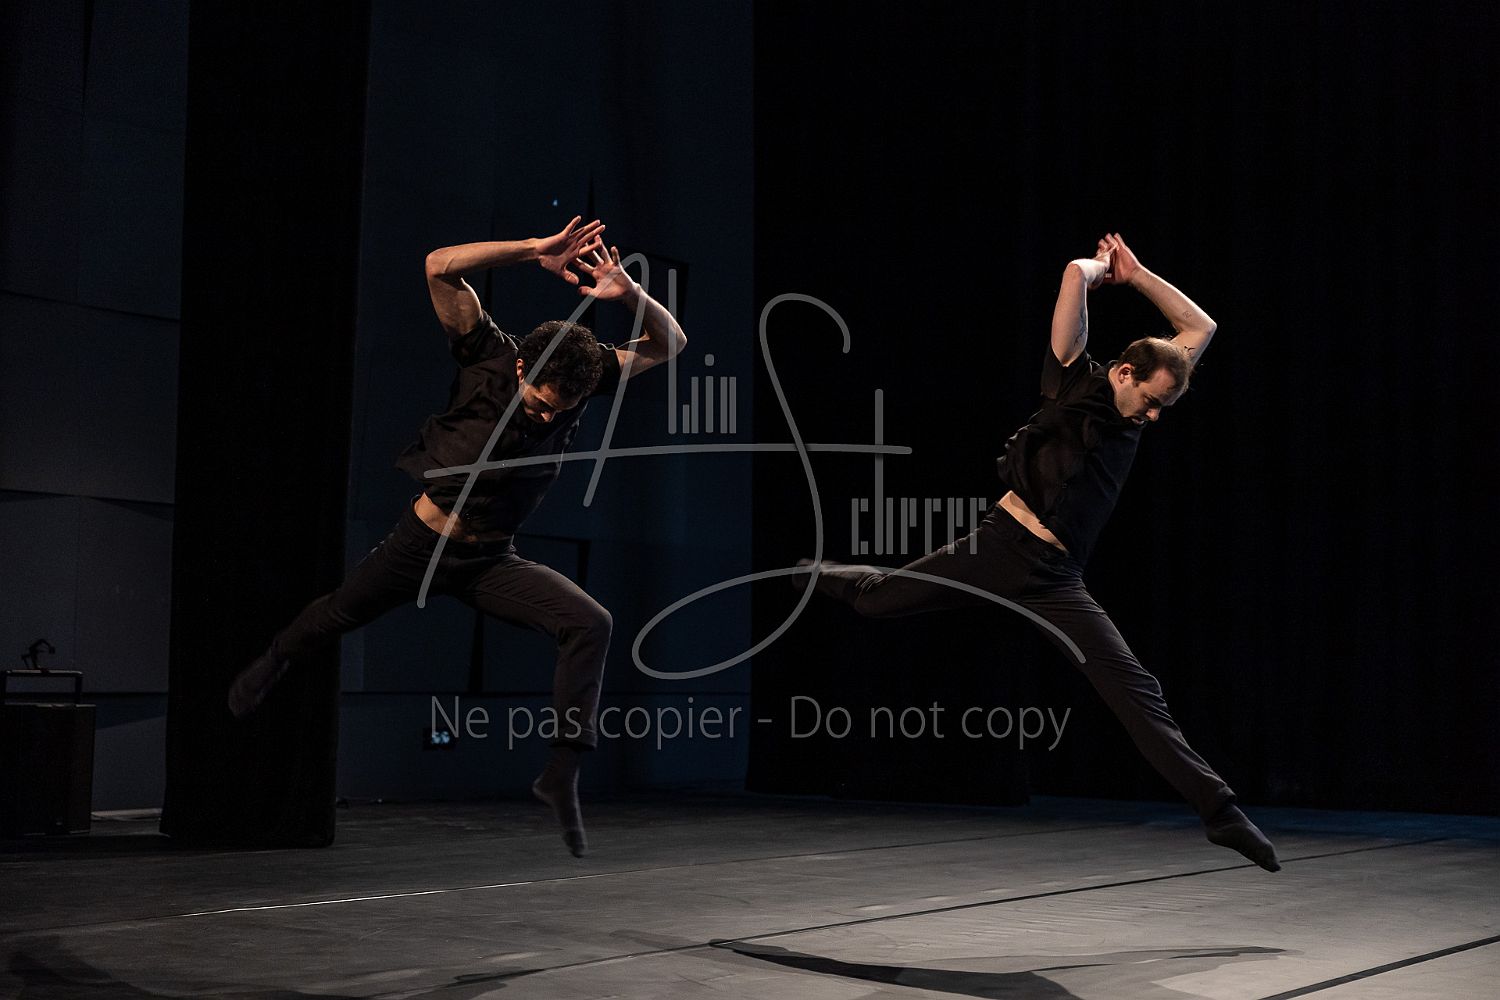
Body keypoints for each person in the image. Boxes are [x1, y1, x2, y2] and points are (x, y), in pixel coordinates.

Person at [798, 233, 1280, 872]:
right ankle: (811, 573)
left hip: (1058, 577)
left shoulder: (1149, 391)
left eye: (1165, 406)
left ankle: (1219, 812)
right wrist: (1096, 267)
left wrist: (1136, 275)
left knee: (1135, 688)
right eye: (1152, 402)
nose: (1154, 417)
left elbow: (1201, 326)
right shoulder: (1073, 380)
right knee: (876, 603)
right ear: (1125, 373)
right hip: (1000, 548)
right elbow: (1073, 279)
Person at [228, 216, 685, 857]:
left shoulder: (582, 379)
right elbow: (438, 264)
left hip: (491, 560)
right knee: (334, 615)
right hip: (420, 547)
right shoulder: (487, 354)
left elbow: (669, 343)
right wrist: (534, 250)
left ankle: (562, 772)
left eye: (558, 410)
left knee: (591, 623)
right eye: (540, 402)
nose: (547, 415)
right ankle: (277, 654)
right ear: (522, 366)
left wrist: (631, 294)